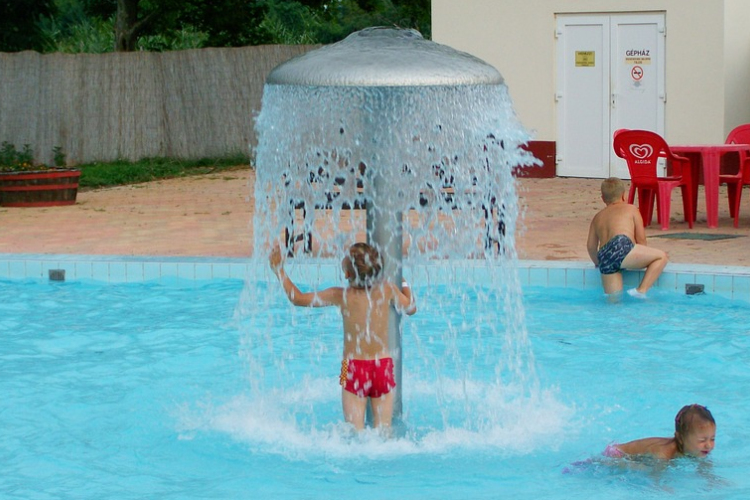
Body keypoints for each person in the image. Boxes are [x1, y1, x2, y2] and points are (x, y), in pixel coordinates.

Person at [269, 241, 416, 433]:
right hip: (383, 365)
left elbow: (297, 298)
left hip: (351, 366)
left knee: (354, 433)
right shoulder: (387, 290)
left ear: (347, 274)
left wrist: (279, 270)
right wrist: (403, 282)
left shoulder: (340, 295)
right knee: (384, 432)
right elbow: (411, 308)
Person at [586, 177, 668, 298]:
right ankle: (641, 291)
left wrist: (598, 263)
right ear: (624, 195)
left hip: (604, 256)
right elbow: (641, 240)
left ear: (603, 198)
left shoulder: (597, 217)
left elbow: (591, 247)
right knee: (662, 257)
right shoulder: (631, 209)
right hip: (621, 244)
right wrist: (639, 257)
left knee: (614, 299)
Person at [603, 404, 716, 460]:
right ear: (681, 439)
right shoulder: (664, 453)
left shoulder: (697, 450)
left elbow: (704, 465)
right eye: (702, 440)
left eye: (712, 439)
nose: (708, 445)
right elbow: (656, 475)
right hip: (616, 455)